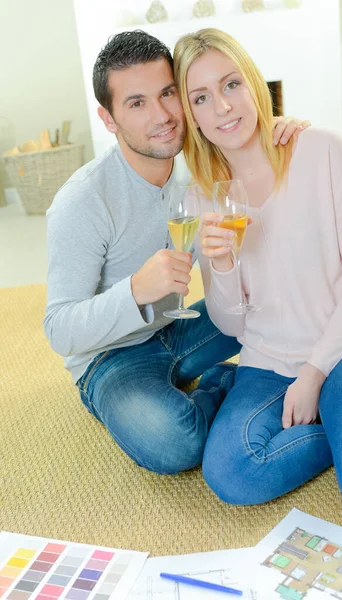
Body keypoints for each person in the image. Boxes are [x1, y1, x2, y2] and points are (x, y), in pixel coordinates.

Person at [44, 30, 306, 475]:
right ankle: (226, 383)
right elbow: (59, 330)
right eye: (137, 103)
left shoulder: (200, 164)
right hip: (112, 357)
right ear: (109, 119)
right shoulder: (83, 201)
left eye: (168, 93)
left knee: (302, 300)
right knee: (175, 442)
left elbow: (253, 144)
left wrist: (282, 132)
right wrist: (135, 291)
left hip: (183, 328)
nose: (163, 115)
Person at [173, 28, 342, 531]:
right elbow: (231, 326)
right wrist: (226, 266)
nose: (223, 108)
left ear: (254, 83)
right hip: (265, 363)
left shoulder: (320, 148)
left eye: (231, 84)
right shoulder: (202, 198)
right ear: (191, 115)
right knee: (232, 474)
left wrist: (314, 375)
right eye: (202, 98)